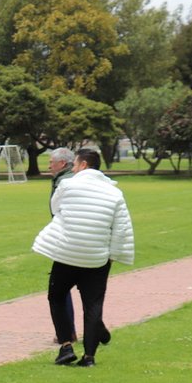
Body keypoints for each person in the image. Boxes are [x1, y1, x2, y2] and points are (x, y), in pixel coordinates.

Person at [32, 148, 134, 367]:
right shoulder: (114, 192)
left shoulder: (67, 185)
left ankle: (66, 345)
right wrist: (113, 255)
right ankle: (89, 356)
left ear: (84, 165)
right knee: (93, 304)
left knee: (57, 296)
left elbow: (55, 208)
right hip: (97, 257)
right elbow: (120, 227)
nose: (74, 169)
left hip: (67, 252)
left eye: (76, 165)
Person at [47, 147, 78, 341]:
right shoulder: (66, 179)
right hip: (74, 238)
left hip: (67, 239)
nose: (49, 165)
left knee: (59, 289)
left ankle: (67, 333)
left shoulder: (64, 182)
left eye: (52, 162)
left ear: (63, 164)